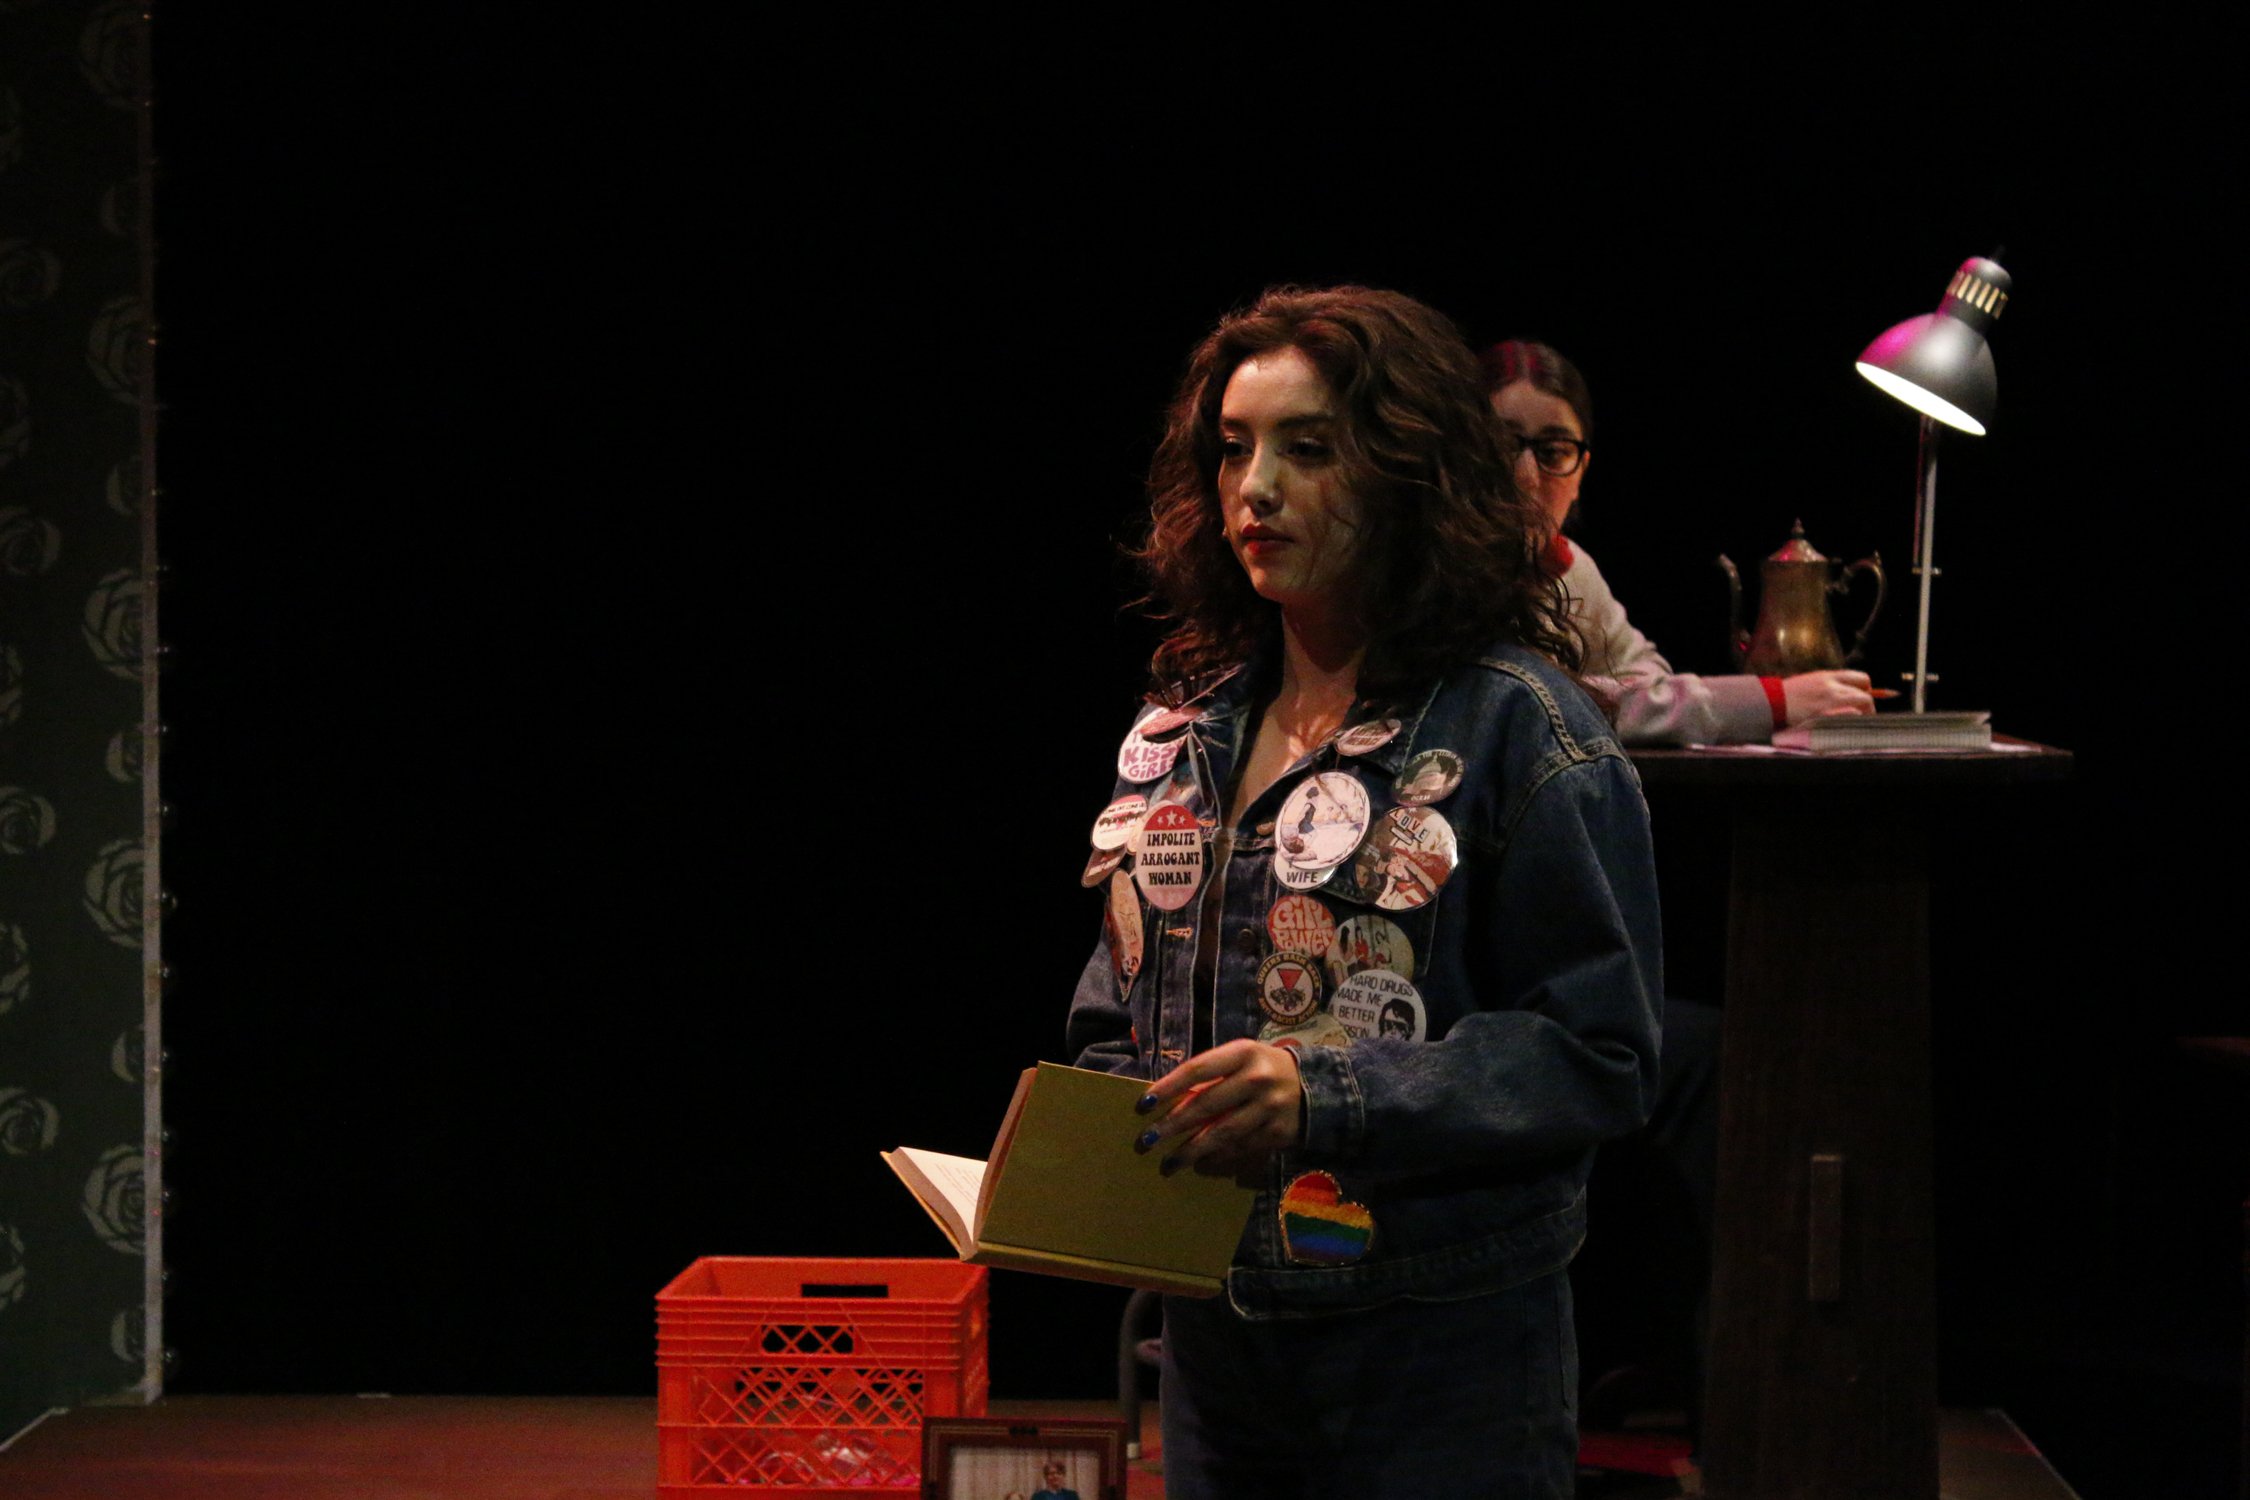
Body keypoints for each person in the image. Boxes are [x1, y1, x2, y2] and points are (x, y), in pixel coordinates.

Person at [1065, 286, 1663, 1498]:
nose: (1256, 488)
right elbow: (1119, 998)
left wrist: (1325, 1091)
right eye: (1235, 448)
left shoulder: (1524, 731)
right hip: (1221, 1350)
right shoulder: (1190, 729)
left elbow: (1600, 1054)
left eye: (1308, 449)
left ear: (1408, 473)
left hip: (1437, 1358)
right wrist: (1091, 1139)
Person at [1480, 339, 1875, 745]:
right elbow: (1536, 699)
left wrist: (1652, 704)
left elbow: (1646, 680)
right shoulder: (1453, 573)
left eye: (1553, 452)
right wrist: (1772, 700)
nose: (1527, 477)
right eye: (1505, 446)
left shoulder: (1568, 566)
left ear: (1581, 472)